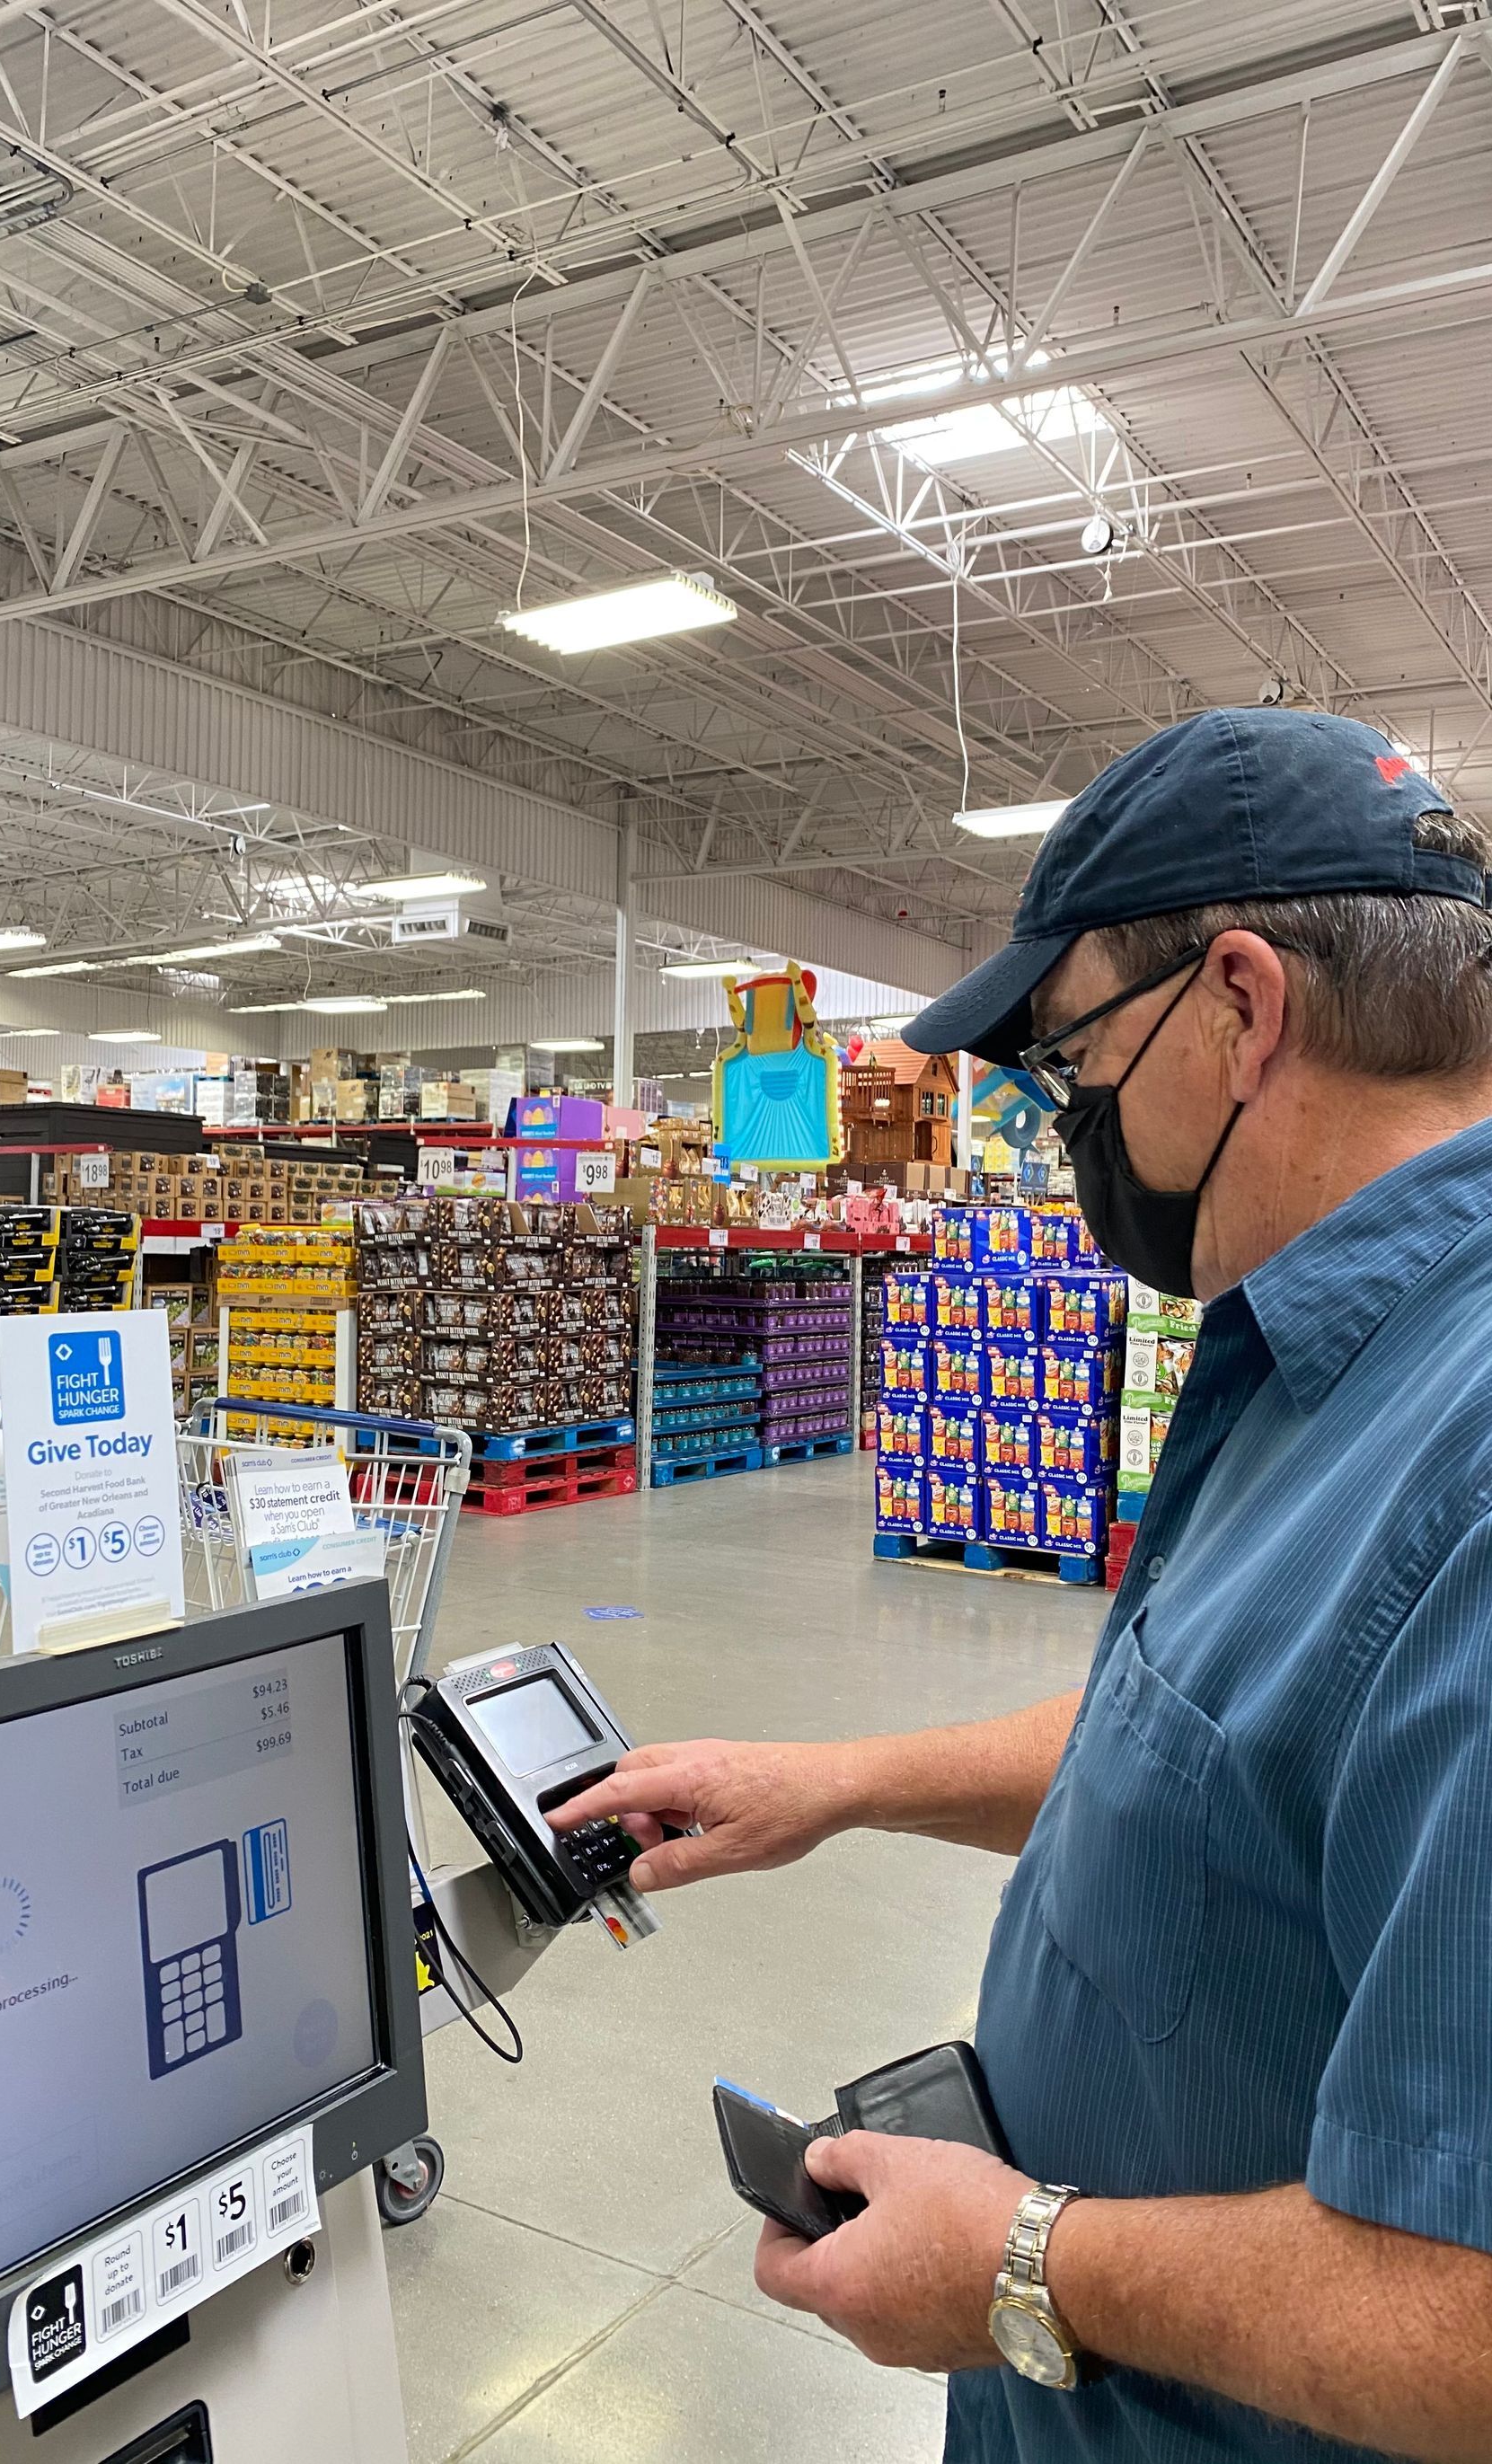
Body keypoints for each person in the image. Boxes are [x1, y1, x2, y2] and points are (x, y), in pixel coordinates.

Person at [553, 706, 1492, 2462]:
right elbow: (1221, 1742)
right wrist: (837, 1784)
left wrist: (1030, 2265)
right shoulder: (1318, 1352)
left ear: (1239, 1007)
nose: (1065, 1126)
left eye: (1071, 1061)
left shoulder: (1471, 1469)